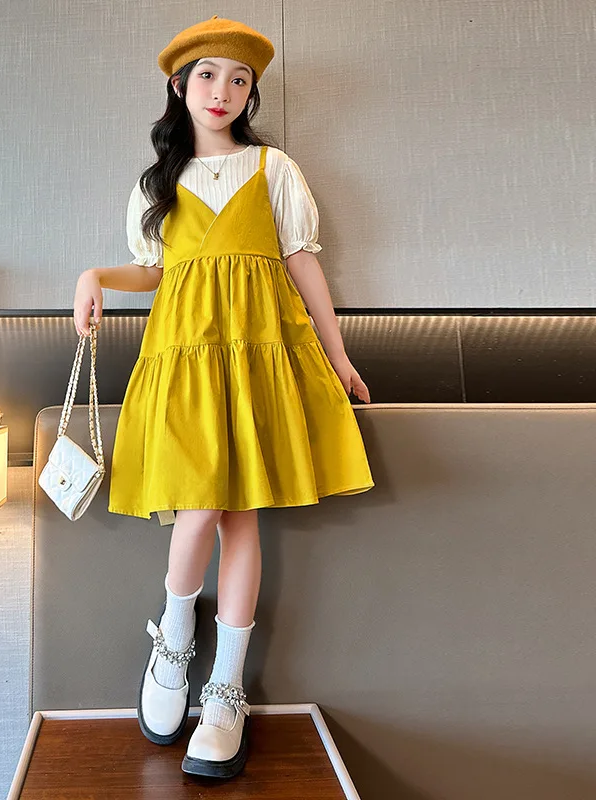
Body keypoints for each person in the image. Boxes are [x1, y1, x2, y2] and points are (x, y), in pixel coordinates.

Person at [73, 15, 375, 780]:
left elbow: (302, 262)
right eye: (208, 75)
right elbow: (156, 271)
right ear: (180, 86)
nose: (223, 91)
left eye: (239, 80)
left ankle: (224, 690)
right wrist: (94, 276)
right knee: (202, 505)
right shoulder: (157, 182)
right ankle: (175, 639)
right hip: (185, 358)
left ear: (250, 95)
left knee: (242, 515)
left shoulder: (275, 169)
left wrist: (338, 356)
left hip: (259, 353)